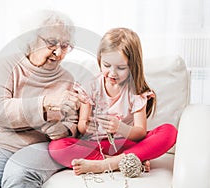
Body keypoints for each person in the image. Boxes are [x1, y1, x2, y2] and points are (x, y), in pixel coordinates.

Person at [0, 10, 86, 188]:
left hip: (41, 145)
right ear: (32, 38)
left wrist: (60, 130)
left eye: (65, 46)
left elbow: (72, 125)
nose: (58, 52)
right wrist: (44, 104)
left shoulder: (67, 78)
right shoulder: (6, 65)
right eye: (51, 43)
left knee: (18, 177)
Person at [48, 27, 178, 176]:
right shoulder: (91, 87)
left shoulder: (135, 92)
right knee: (56, 147)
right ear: (99, 60)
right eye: (107, 65)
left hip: (125, 144)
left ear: (132, 66)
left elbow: (140, 133)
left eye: (121, 68)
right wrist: (88, 126)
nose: (112, 73)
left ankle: (106, 164)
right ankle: (125, 161)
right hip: (95, 145)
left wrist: (120, 128)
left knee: (169, 132)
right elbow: (82, 126)